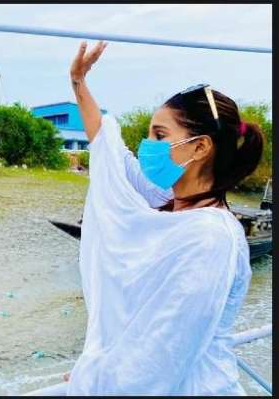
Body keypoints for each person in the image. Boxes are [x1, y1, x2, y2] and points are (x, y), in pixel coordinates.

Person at [63, 41, 263, 395]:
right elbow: (110, 152)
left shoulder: (210, 238)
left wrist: (91, 378)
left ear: (200, 147)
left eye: (160, 135)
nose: (147, 145)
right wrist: (79, 82)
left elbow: (158, 356)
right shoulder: (170, 198)